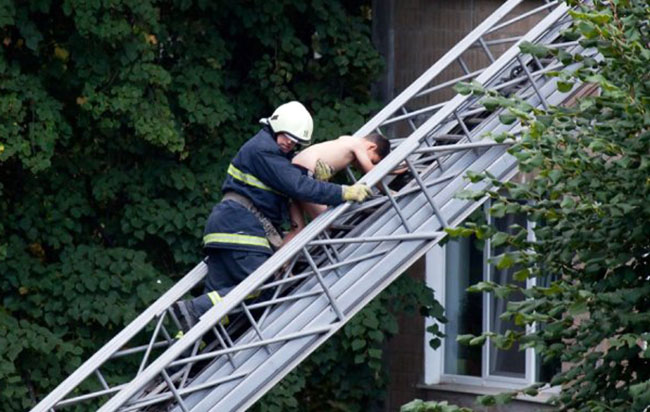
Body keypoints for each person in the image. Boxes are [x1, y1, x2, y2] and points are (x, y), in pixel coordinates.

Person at [172, 101, 372, 331]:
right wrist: (342, 191)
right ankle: (196, 309)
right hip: (242, 231)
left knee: (221, 302)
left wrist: (313, 177)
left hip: (227, 229)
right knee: (265, 287)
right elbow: (297, 186)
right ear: (276, 126)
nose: (290, 143)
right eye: (287, 136)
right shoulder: (263, 150)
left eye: (296, 142)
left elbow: (290, 184)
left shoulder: (271, 154)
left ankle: (189, 347)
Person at [284, 133, 391, 243]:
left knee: (297, 230)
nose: (368, 163)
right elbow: (371, 171)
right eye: (372, 161)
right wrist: (388, 191)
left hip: (293, 172)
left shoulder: (344, 142)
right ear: (372, 147)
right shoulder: (357, 144)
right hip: (304, 175)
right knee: (326, 221)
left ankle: (280, 259)